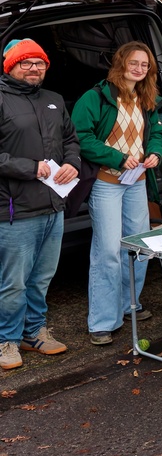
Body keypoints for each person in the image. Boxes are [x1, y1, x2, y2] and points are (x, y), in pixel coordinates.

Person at [73, 42, 162, 345]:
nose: (139, 69)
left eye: (144, 64)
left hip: (137, 182)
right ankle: (102, 321)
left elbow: (158, 131)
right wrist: (115, 157)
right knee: (108, 252)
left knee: (140, 247)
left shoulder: (147, 97)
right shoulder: (95, 97)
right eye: (134, 63)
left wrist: (154, 152)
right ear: (121, 63)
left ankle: (130, 305)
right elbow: (80, 137)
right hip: (106, 184)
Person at [0, 40, 81, 370]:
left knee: (42, 277)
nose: (34, 68)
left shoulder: (54, 100)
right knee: (13, 282)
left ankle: (34, 332)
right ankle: (7, 340)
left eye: (40, 63)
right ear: (10, 65)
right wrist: (29, 167)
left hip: (53, 205)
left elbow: (70, 140)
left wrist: (73, 162)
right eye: (26, 63)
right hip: (14, 209)